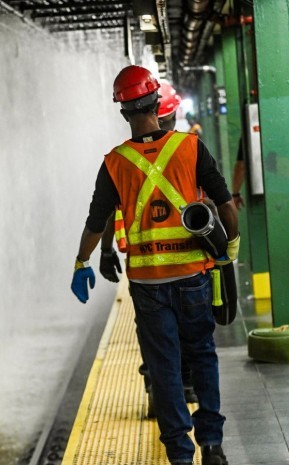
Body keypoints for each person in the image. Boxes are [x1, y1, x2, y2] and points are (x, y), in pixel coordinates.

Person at [70, 65, 238, 465]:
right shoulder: (191, 148)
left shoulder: (114, 162)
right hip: (194, 280)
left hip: (147, 287)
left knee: (164, 369)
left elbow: (97, 222)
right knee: (202, 356)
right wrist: (228, 253)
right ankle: (212, 446)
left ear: (123, 110)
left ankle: (180, 455)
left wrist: (84, 260)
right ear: (156, 103)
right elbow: (227, 206)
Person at [99, 80, 199, 414]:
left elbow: (105, 209)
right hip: (186, 264)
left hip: (146, 270)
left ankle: (161, 392)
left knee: (155, 336)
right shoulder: (189, 149)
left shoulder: (122, 159)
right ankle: (185, 387)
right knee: (189, 330)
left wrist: (104, 252)